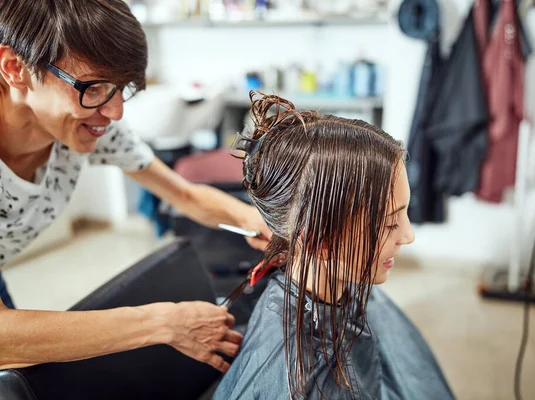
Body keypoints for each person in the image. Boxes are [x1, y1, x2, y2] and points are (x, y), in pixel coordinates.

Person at [0, 0, 272, 373]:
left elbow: (183, 194)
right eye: (93, 88)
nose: (114, 113)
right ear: (15, 68)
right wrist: (164, 324)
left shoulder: (88, 123)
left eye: (121, 89)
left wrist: (262, 224)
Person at [213, 92, 455, 399]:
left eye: (404, 214)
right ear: (320, 241)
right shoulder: (298, 379)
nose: (408, 237)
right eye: (391, 222)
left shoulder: (339, 286)